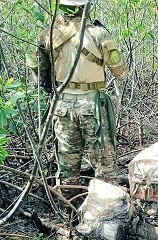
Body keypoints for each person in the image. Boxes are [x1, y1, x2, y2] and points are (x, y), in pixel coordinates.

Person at [26, 0, 128, 208]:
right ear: (84, 7)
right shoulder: (98, 34)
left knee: (67, 164)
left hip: (63, 106)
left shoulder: (46, 35)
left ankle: (68, 209)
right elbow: (121, 72)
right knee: (104, 164)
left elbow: (38, 72)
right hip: (92, 106)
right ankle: (108, 212)